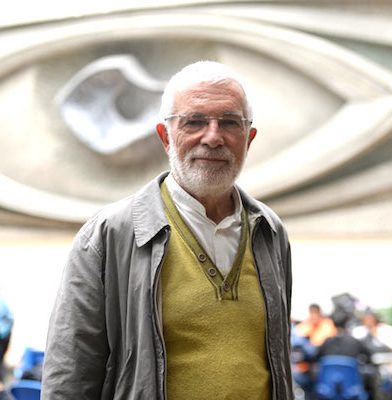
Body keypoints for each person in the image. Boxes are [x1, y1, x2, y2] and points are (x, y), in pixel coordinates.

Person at [41, 61, 293, 400]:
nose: (213, 137)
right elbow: (69, 377)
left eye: (229, 122)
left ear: (248, 139)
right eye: (194, 121)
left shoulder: (270, 231)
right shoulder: (108, 236)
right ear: (165, 137)